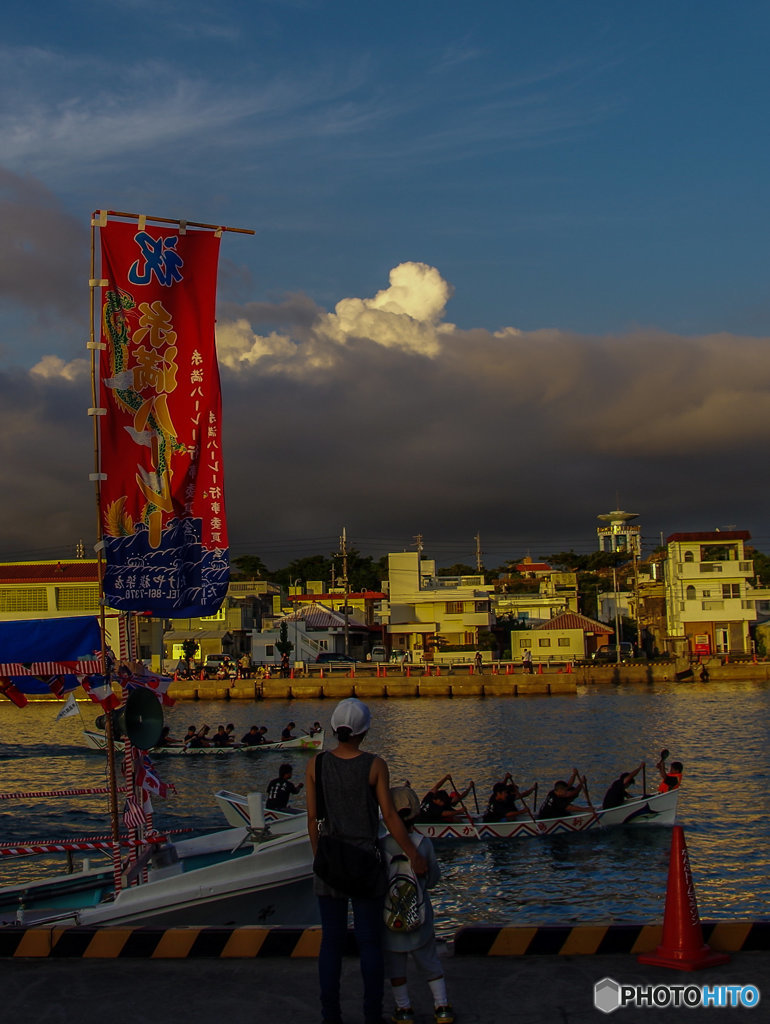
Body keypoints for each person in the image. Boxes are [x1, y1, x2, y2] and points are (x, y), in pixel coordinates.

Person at [306, 697, 427, 1024]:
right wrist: (413, 854)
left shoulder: (316, 764)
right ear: (365, 731)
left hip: (330, 859)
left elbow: (314, 818)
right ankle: (372, 1015)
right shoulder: (375, 765)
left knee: (330, 944)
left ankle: (330, 1016)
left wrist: (319, 853)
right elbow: (389, 815)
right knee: (369, 942)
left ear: (334, 729)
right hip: (364, 862)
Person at [381, 786, 454, 1024]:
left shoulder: (382, 845)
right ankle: (441, 1006)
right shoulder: (423, 844)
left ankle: (404, 1010)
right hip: (420, 916)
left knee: (395, 966)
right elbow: (432, 879)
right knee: (429, 960)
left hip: (390, 918)